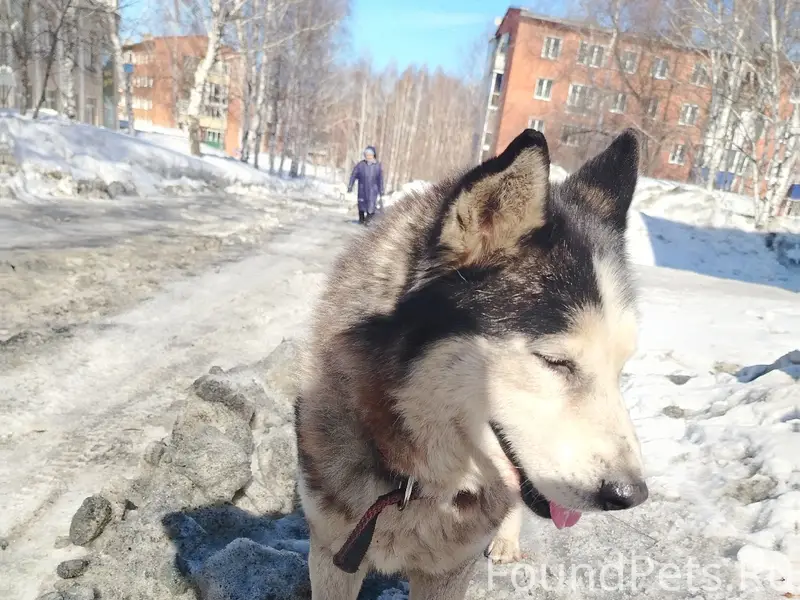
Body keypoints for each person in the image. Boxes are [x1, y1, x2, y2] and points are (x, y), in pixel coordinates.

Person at [347, 146, 384, 225]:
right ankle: (361, 220)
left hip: (373, 190)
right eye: (367, 155)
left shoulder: (377, 166)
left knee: (371, 207)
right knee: (361, 206)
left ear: (374, 155)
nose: (368, 156)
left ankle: (367, 221)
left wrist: (381, 190)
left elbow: (380, 179)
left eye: (370, 155)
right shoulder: (361, 165)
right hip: (362, 189)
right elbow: (353, 175)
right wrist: (350, 185)